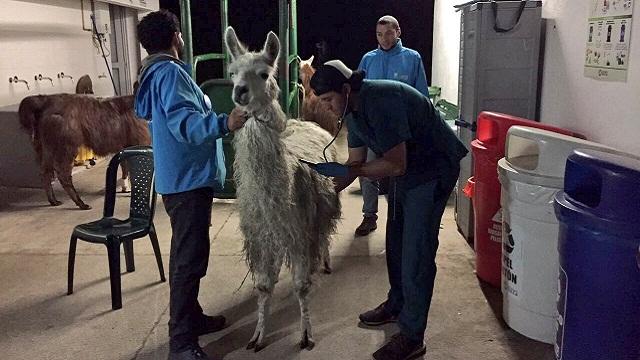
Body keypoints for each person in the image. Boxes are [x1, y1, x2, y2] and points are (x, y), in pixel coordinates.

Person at [309, 60, 467, 360]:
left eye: (329, 100)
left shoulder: (381, 101)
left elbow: (395, 163)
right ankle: (397, 304)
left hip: (432, 168)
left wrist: (358, 171)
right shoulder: (350, 113)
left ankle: (412, 336)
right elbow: (354, 165)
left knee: (416, 252)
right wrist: (321, 194)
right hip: (405, 172)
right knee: (395, 243)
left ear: (345, 89)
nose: (327, 107)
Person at [135, 10, 247, 360]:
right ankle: (181, 341)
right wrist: (226, 122)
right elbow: (186, 124)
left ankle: (192, 318)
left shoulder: (153, 73)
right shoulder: (170, 73)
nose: (182, 40)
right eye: (180, 35)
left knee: (191, 254)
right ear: (175, 37)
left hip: (179, 178)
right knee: (188, 260)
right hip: (186, 182)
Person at [355, 15, 429, 236]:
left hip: (401, 131)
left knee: (400, 172)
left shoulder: (412, 58)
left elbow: (421, 95)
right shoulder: (368, 59)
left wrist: (419, 128)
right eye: (379, 34)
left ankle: (400, 218)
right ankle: (369, 216)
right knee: (368, 171)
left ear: (398, 32)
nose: (384, 39)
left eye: (388, 33)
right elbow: (358, 92)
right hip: (374, 130)